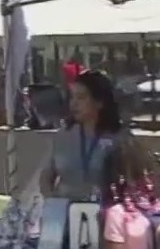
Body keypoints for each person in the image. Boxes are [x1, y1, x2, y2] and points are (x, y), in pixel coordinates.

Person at [39, 70, 124, 199]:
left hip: (103, 212)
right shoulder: (63, 135)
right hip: (64, 211)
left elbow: (132, 182)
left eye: (81, 97)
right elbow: (46, 177)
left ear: (100, 102)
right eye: (72, 96)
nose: (74, 103)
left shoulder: (118, 138)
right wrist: (51, 203)